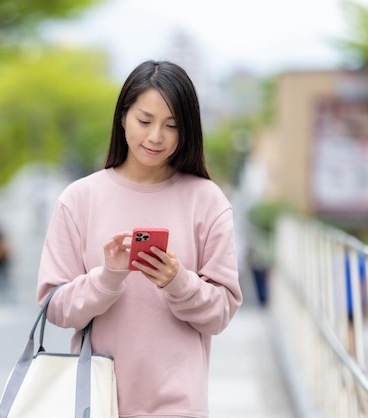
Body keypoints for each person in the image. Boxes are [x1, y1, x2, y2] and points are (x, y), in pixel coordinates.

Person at [37, 60, 242, 417]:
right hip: (96, 399)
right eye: (144, 121)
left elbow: (220, 313)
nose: (155, 137)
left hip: (178, 405)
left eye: (172, 125)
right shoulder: (79, 199)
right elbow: (53, 306)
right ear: (122, 117)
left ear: (188, 130)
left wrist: (178, 282)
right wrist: (107, 278)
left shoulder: (207, 201)